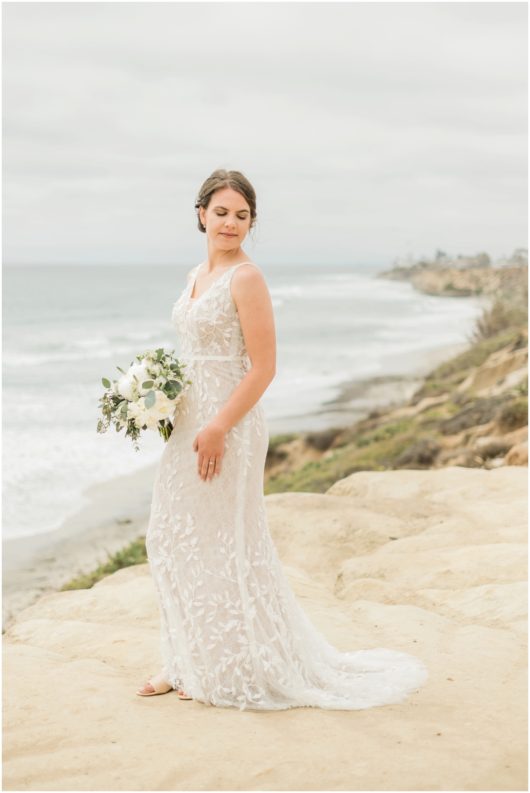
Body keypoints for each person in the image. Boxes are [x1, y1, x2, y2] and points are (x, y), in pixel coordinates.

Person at [136, 168, 428, 710]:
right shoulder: (195, 274)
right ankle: (186, 660)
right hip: (191, 424)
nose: (230, 223)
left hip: (229, 424)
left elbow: (263, 367)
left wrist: (220, 425)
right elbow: (193, 355)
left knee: (225, 542)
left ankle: (223, 670)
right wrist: (159, 397)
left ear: (251, 223)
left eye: (241, 215)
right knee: (173, 538)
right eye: (221, 212)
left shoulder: (246, 278)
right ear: (200, 214)